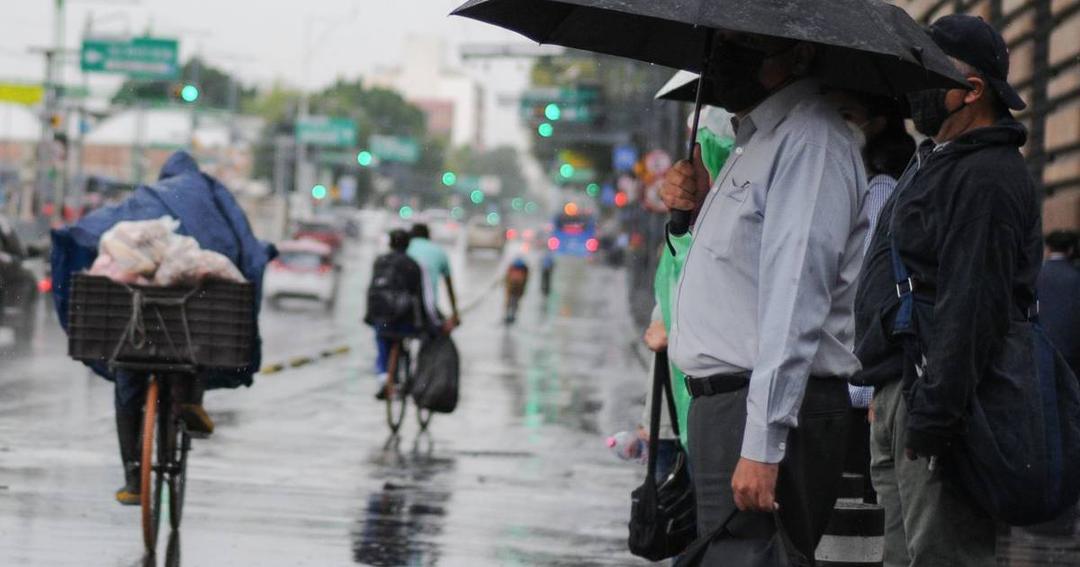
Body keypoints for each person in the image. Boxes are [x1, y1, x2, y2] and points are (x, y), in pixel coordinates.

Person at [660, 31, 867, 561]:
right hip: (728, 408)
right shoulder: (757, 140)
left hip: (762, 410)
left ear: (799, 52)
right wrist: (700, 208)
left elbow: (795, 297)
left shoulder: (810, 142)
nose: (719, 54)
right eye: (718, 41)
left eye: (740, 42)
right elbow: (749, 272)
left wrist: (762, 444)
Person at [852, 14, 1039, 566]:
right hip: (900, 391)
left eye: (930, 73)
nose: (917, 90)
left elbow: (971, 304)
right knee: (902, 555)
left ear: (972, 90)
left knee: (939, 556)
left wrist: (935, 417)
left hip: (935, 404)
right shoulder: (935, 159)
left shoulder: (986, 176)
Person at [829, 90, 916, 502]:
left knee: (853, 510)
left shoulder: (879, 188)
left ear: (878, 123)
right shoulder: (862, 181)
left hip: (856, 389)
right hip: (854, 384)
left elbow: (866, 293)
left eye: (848, 113)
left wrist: (866, 390)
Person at [365, 229, 427, 400]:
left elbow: (372, 290)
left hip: (382, 317)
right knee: (405, 340)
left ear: (390, 243)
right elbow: (419, 295)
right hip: (405, 318)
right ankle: (404, 378)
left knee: (381, 340)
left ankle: (384, 376)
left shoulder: (380, 261)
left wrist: (369, 316)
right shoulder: (413, 265)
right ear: (408, 245)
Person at [1038, 230, 1080, 375]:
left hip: (1043, 341)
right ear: (1070, 250)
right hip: (1072, 345)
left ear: (1048, 248)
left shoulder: (1038, 274)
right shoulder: (1075, 276)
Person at [407, 223, 460, 331]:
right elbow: (449, 287)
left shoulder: (405, 249)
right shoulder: (439, 252)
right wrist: (455, 313)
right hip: (427, 308)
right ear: (428, 236)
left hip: (397, 307)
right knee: (441, 332)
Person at [504, 258, 529, 323]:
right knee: (511, 302)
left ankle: (511, 315)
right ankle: (509, 315)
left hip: (517, 290)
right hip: (513, 289)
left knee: (513, 303)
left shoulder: (522, 270)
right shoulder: (520, 270)